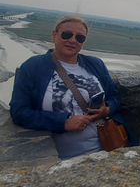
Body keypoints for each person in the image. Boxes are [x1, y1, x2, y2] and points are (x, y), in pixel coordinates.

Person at [10, 16, 133, 159]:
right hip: (63, 158)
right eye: (67, 34)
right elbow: (19, 112)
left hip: (106, 148)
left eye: (80, 38)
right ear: (54, 35)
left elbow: (114, 97)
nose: (73, 40)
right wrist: (62, 122)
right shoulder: (33, 67)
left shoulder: (96, 64)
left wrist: (106, 110)